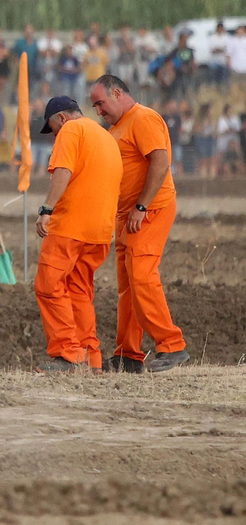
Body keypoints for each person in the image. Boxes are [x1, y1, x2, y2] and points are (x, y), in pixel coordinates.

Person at [88, 75, 189, 373]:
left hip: (150, 210)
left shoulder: (143, 118)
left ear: (117, 93)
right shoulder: (118, 127)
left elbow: (160, 162)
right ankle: (128, 355)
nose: (98, 112)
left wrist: (141, 206)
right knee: (128, 288)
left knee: (142, 276)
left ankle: (172, 345)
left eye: (101, 103)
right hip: (126, 215)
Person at [33, 95, 120, 373]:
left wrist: (47, 208)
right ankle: (91, 357)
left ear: (61, 118)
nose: (55, 135)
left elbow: (63, 170)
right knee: (79, 291)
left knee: (48, 285)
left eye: (53, 129)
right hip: (100, 230)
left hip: (71, 225)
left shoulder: (71, 129)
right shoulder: (106, 137)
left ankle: (69, 354)